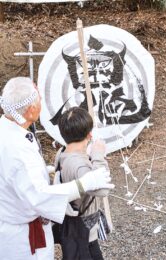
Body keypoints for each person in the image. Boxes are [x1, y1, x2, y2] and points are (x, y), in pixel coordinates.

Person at [0, 77, 114, 260]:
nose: (41, 103)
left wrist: (43, 171)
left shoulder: (7, 131)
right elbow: (39, 195)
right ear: (31, 111)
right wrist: (87, 182)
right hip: (22, 239)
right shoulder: (16, 149)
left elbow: (14, 175)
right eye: (39, 100)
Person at [55, 107, 109, 259]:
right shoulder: (80, 165)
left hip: (71, 227)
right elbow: (102, 189)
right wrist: (98, 155)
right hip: (85, 234)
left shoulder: (62, 153)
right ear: (89, 134)